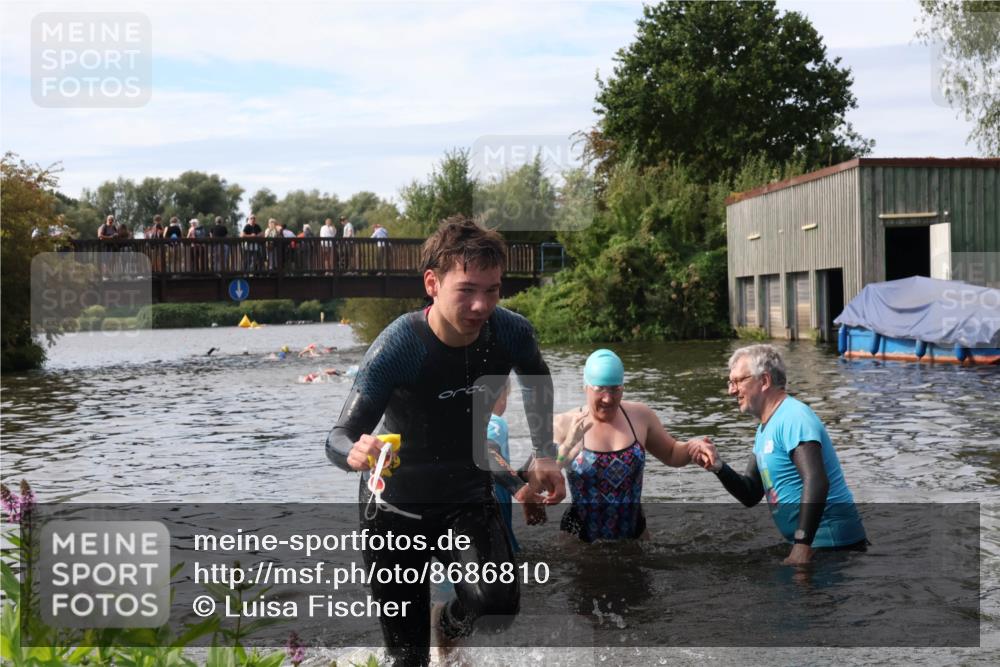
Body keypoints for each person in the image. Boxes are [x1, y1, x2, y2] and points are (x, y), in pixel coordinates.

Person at [325, 215, 563, 666]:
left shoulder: (510, 332)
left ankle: (447, 627)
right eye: (467, 290)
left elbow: (537, 380)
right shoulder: (400, 346)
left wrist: (545, 453)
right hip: (394, 509)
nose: (481, 306)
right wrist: (355, 451)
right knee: (408, 659)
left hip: (467, 495)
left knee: (496, 606)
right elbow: (337, 437)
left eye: (492, 290)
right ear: (432, 283)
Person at [688, 344, 867, 565]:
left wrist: (801, 546)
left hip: (833, 547)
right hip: (814, 545)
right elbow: (751, 493)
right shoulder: (766, 428)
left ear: (764, 381)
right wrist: (719, 467)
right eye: (730, 382)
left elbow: (817, 481)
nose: (731, 391)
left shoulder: (794, 417)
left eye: (737, 381)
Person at [554, 349, 707, 542]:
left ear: (623, 387)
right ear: (585, 386)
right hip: (580, 542)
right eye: (600, 388)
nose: (608, 398)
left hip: (635, 535)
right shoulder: (563, 424)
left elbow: (671, 453)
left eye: (615, 389)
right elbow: (539, 474)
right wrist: (566, 447)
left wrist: (693, 448)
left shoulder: (640, 416)